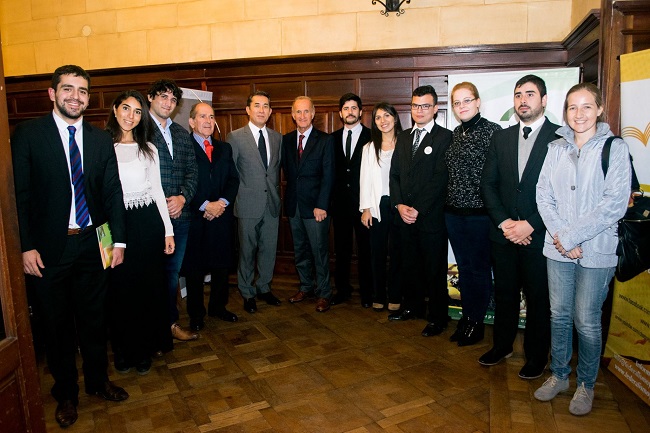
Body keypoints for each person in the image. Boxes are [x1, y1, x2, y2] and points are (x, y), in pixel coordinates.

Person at [12, 65, 129, 428]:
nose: (75, 96)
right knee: (57, 326)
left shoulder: (98, 140)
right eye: (67, 89)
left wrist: (117, 242)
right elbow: (19, 196)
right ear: (52, 93)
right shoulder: (28, 135)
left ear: (88, 97)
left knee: (95, 320)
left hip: (95, 246)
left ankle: (97, 382)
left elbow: (111, 194)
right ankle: (66, 394)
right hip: (48, 252)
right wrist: (25, 247)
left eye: (82, 90)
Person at [534, 83, 631, 416]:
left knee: (586, 321)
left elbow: (614, 204)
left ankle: (586, 384)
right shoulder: (555, 148)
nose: (579, 114)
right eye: (572, 107)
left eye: (586, 106)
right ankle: (559, 375)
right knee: (559, 316)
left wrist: (572, 236)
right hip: (557, 247)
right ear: (565, 112)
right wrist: (562, 237)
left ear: (599, 109)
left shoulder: (614, 148)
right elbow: (543, 196)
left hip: (597, 249)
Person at [479, 75, 558, 380]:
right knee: (505, 294)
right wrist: (505, 223)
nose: (523, 100)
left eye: (530, 94)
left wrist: (530, 225)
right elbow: (488, 185)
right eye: (518, 95)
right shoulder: (501, 137)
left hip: (539, 237)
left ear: (544, 100)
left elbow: (561, 192)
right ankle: (502, 346)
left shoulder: (560, 138)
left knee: (539, 299)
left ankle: (536, 357)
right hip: (504, 235)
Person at [106, 90, 175, 375]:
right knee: (119, 290)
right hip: (114, 225)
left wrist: (167, 231)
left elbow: (158, 192)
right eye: (125, 108)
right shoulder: (101, 146)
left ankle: (144, 349)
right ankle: (123, 351)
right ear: (114, 109)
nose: (130, 116)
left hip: (147, 224)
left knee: (147, 289)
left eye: (136, 111)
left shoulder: (149, 148)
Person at [388, 85, 453, 337]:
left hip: (430, 218)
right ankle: (411, 308)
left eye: (425, 105)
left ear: (435, 108)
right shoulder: (403, 137)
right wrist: (399, 204)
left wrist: (417, 208)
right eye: (416, 105)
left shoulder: (445, 137)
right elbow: (394, 176)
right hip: (404, 216)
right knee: (409, 266)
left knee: (434, 270)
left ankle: (438, 317)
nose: (420, 110)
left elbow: (441, 178)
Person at [445, 82, 502, 346]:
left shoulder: (494, 132)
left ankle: (477, 322)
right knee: (464, 270)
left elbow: (499, 177)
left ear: (478, 102)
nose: (462, 106)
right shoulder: (455, 133)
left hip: (481, 216)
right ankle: (467, 318)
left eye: (466, 101)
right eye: (457, 103)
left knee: (479, 270)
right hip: (454, 215)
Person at [147, 79, 200, 338]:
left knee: (172, 274)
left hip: (181, 216)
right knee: (151, 276)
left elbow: (192, 171)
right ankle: (153, 327)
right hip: (150, 218)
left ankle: (169, 324)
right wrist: (163, 205)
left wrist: (182, 199)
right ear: (150, 98)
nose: (168, 103)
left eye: (172, 99)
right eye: (163, 97)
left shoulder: (180, 133)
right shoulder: (138, 129)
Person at [181, 102, 240, 331]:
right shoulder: (183, 147)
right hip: (196, 217)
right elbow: (181, 182)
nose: (208, 121)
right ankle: (196, 314)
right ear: (192, 121)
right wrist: (205, 205)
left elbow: (233, 179)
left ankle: (218, 307)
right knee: (195, 269)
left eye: (211, 116)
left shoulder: (224, 148)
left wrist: (222, 203)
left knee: (221, 266)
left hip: (221, 217)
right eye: (202, 116)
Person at [226, 91, 283, 314]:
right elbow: (231, 173)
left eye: (266, 106)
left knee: (269, 250)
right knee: (247, 252)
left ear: (270, 111)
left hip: (272, 204)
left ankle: (264, 288)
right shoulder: (235, 136)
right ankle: (247, 291)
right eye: (257, 105)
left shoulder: (277, 138)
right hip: (247, 204)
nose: (261, 110)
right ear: (248, 109)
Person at [282, 96, 335, 312]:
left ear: (313, 113)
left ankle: (324, 293)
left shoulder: (325, 140)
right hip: (294, 206)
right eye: (298, 112)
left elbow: (329, 175)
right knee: (300, 250)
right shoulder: (286, 140)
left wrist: (322, 205)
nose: (302, 116)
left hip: (316, 209)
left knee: (319, 252)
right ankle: (306, 287)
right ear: (293, 115)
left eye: (306, 111)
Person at [359, 102, 403, 313]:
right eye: (377, 117)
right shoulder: (369, 148)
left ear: (395, 118)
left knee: (397, 253)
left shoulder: (406, 143)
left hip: (400, 205)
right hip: (377, 205)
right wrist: (366, 208)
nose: (383, 121)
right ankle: (378, 295)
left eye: (386, 116)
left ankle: (395, 295)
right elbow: (364, 180)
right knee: (377, 253)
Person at [331, 93, 373, 308]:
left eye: (354, 108)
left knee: (366, 250)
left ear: (360, 111)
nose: (350, 112)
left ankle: (368, 293)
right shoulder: (332, 138)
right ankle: (342, 290)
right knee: (342, 250)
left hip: (365, 205)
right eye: (346, 108)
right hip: (339, 206)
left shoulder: (372, 136)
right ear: (340, 113)